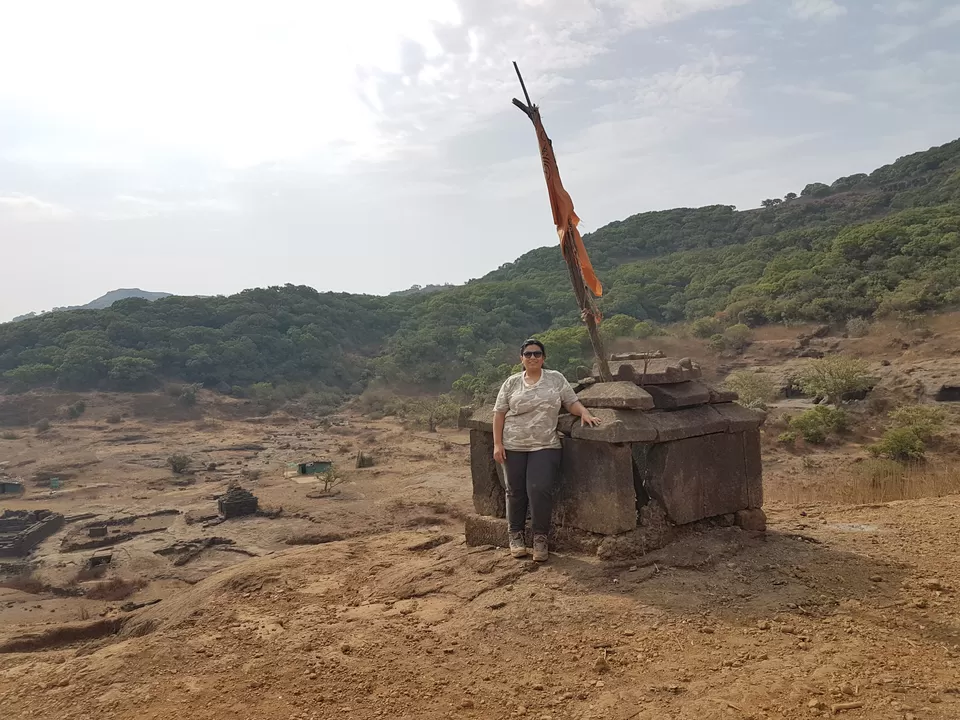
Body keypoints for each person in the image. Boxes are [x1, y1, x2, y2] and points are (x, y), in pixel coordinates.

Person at [492, 338, 601, 562]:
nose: (533, 357)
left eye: (537, 354)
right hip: (514, 444)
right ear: (521, 358)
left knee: (539, 488)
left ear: (544, 358)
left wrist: (584, 413)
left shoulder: (555, 378)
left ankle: (540, 537)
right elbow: (499, 413)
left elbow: (570, 401)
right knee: (515, 491)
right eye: (528, 354)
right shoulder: (512, 383)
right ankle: (516, 535)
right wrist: (497, 444)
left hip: (545, 444)